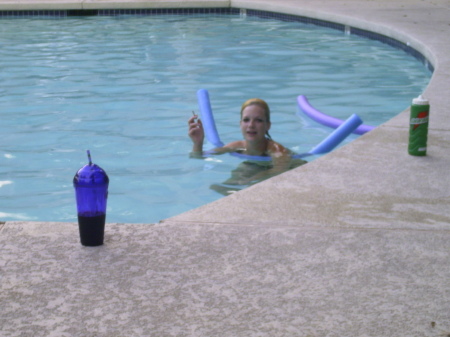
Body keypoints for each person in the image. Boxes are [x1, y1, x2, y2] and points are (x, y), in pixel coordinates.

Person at [188, 98, 306, 193]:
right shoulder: (237, 146)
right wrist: (198, 143)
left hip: (293, 168)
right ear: (240, 125)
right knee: (224, 183)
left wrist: (251, 181)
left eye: (258, 120)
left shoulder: (277, 150)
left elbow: (278, 170)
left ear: (267, 125)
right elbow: (198, 157)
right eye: (246, 120)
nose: (251, 125)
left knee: (247, 177)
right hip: (257, 165)